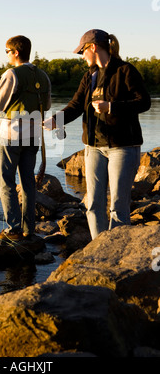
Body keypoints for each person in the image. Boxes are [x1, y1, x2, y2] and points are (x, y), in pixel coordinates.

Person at [44, 29, 151, 240]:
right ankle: (98, 249)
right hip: (93, 147)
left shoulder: (126, 71)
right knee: (93, 204)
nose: (82, 56)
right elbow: (75, 106)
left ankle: (115, 253)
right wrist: (56, 120)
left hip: (123, 147)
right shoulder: (89, 76)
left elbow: (144, 102)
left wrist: (111, 107)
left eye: (82, 51)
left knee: (118, 206)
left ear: (93, 47)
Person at [0, 35, 51, 241]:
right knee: (28, 182)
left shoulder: (11, 74)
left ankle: (13, 229)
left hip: (11, 136)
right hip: (34, 137)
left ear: (16, 52)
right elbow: (46, 106)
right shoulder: (43, 76)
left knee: (6, 182)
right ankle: (29, 230)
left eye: (7, 51)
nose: (6, 55)